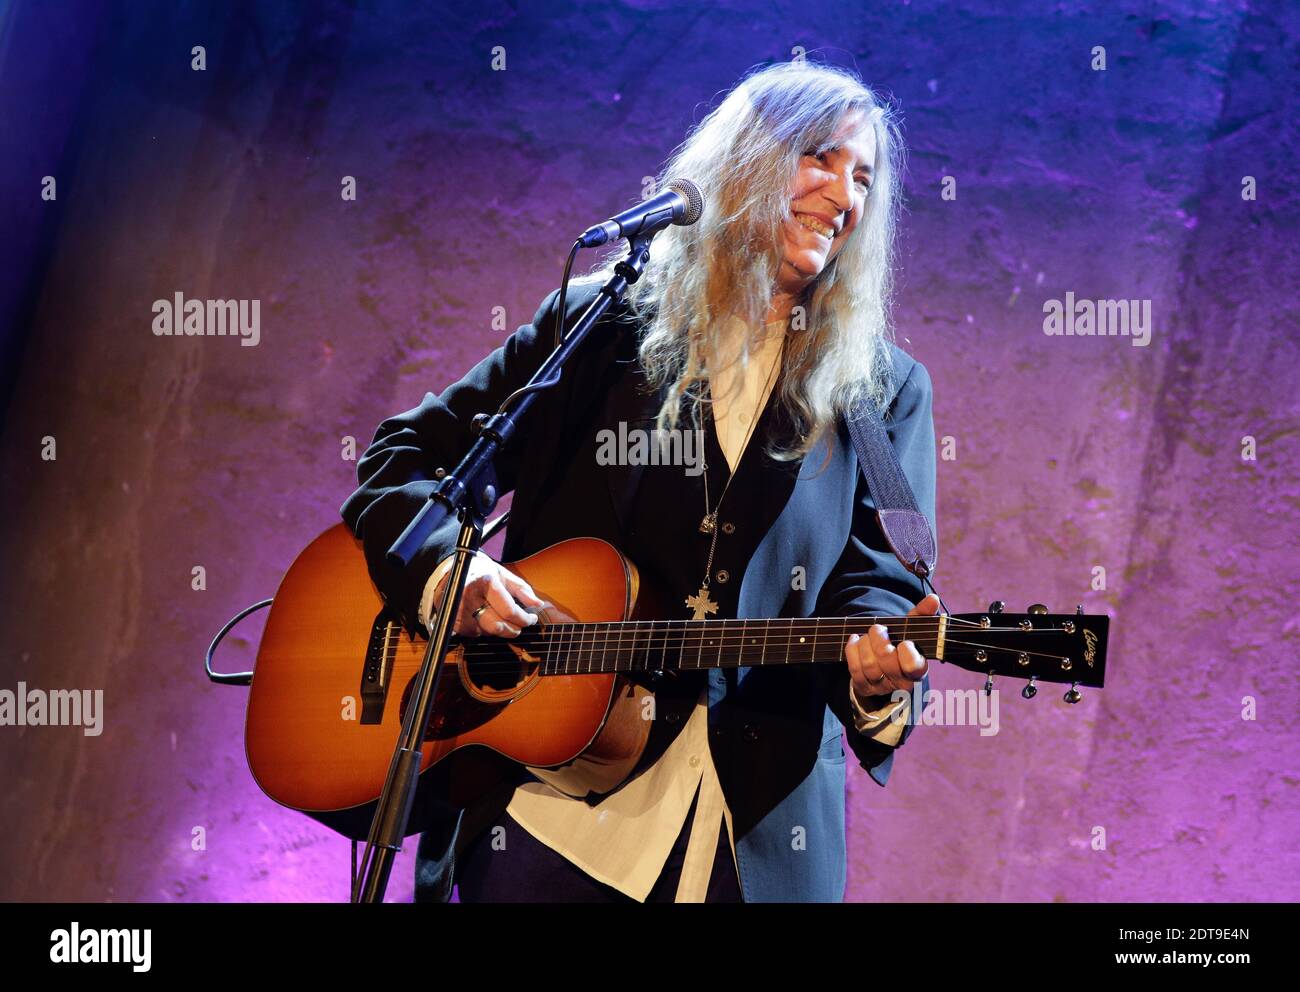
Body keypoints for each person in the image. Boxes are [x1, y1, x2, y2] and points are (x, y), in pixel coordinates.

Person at [341, 60, 938, 903]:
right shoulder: (597, 325)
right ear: (744, 159)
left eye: (864, 179)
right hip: (548, 811)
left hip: (754, 842)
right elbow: (404, 462)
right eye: (820, 157)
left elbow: (879, 586)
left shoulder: (884, 391)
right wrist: (450, 573)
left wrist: (877, 676)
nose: (844, 196)